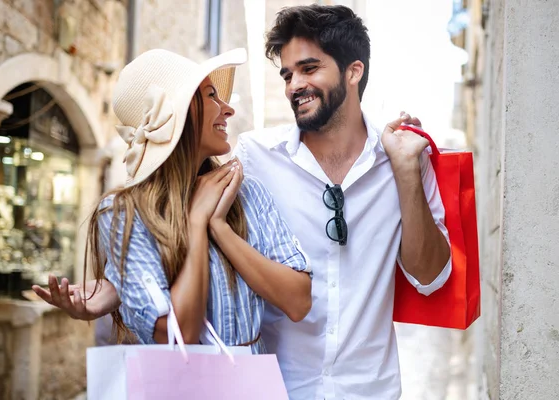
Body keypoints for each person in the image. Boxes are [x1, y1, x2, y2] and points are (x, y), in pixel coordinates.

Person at [35, 5, 452, 399]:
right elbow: (169, 214)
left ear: (353, 72)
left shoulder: (404, 157)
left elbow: (430, 276)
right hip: (271, 384)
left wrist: (405, 172)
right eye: (287, 74)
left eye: (309, 69)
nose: (294, 85)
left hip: (370, 389)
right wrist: (118, 290)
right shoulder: (254, 158)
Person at [33, 47, 312, 353]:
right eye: (210, 96)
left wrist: (218, 226)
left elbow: (298, 302)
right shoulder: (124, 214)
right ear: (178, 115)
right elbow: (181, 334)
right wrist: (196, 223)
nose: (227, 109)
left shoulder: (248, 193)